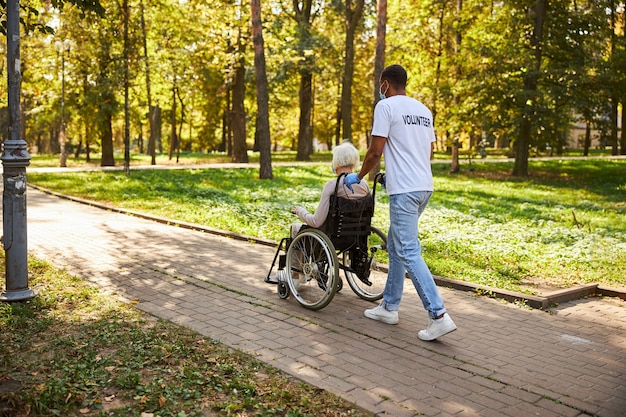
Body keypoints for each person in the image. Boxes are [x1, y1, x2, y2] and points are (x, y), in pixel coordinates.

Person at [344, 64, 457, 341]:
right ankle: (389, 307)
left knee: (407, 250)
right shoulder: (423, 110)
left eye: (380, 86)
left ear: (385, 84)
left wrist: (358, 177)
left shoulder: (386, 108)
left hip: (405, 191)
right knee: (396, 245)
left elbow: (375, 150)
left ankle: (438, 314)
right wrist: (394, 175)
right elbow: (426, 152)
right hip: (423, 188)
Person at [291, 141, 369, 237]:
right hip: (357, 236)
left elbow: (316, 222)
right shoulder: (364, 184)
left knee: (295, 228)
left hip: (333, 236)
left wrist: (300, 211)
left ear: (337, 161)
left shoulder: (332, 185)